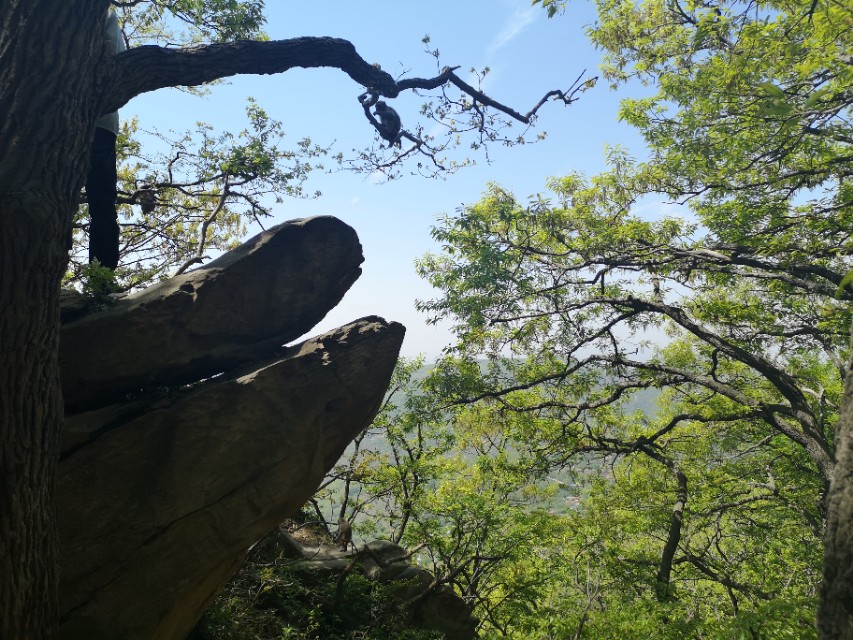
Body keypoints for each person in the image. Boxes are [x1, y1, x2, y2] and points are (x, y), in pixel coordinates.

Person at [86, 8, 126, 270]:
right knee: (101, 203)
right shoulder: (104, 14)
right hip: (101, 121)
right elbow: (118, 59)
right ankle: (102, 282)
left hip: (45, 116)